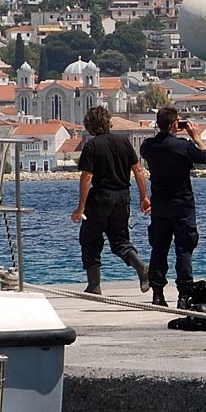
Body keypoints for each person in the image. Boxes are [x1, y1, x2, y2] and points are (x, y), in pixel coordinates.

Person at [72, 105, 150, 296]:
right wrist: (144, 197)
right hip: (123, 196)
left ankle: (94, 285)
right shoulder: (123, 142)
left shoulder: (91, 146)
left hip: (101, 197)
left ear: (89, 126)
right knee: (120, 239)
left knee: (90, 239)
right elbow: (138, 170)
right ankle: (141, 267)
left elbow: (87, 177)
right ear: (108, 122)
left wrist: (80, 207)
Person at [139, 107, 206, 307]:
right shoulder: (183, 146)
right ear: (174, 125)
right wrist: (196, 136)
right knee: (184, 249)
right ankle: (184, 295)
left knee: (159, 248)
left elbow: (148, 148)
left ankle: (157, 293)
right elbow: (205, 157)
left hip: (160, 204)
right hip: (182, 204)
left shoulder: (148, 146)